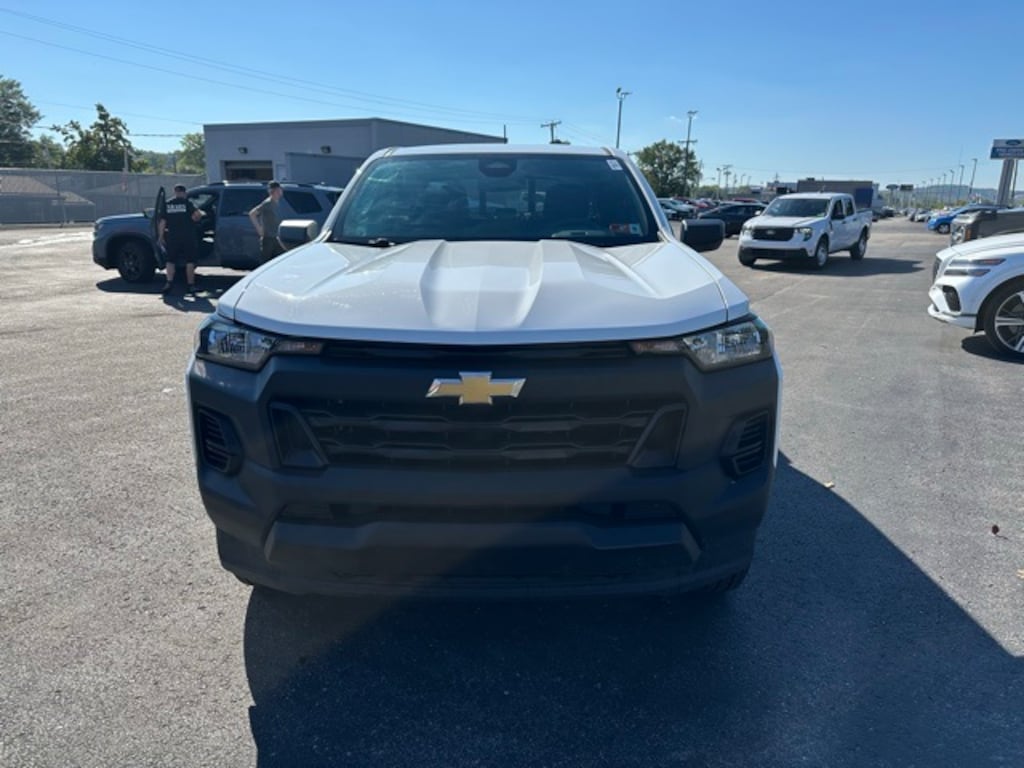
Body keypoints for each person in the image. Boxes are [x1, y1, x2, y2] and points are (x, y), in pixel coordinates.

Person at [157, 184, 202, 294]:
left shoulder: (168, 204)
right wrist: (197, 218)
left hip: (172, 237)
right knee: (190, 260)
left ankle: (169, 283)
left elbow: (162, 222)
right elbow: (197, 215)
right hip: (188, 237)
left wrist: (161, 236)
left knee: (170, 260)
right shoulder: (187, 203)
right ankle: (191, 285)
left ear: (175, 192)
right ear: (184, 192)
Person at [249, 180, 285, 263]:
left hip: (277, 237)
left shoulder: (278, 202)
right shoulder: (267, 203)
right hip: (268, 238)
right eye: (277, 190)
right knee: (265, 262)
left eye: (280, 190)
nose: (279, 192)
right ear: (272, 192)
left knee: (279, 260)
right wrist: (259, 229)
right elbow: (252, 214)